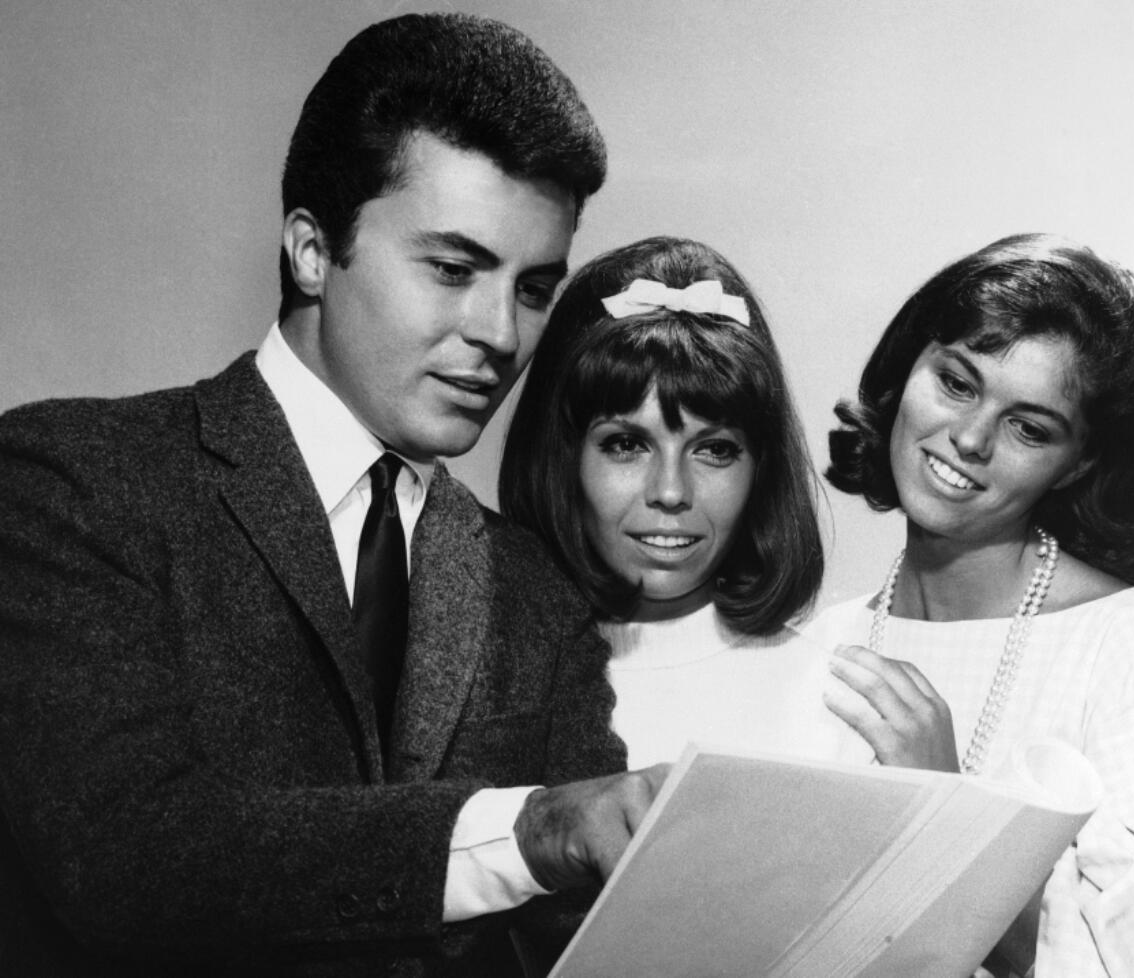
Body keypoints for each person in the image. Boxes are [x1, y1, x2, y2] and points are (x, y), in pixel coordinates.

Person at [0, 14, 668, 977]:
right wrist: (525, 831)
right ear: (313, 251)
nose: (500, 333)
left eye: (533, 289)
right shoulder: (74, 482)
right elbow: (120, 855)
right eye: (453, 268)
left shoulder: (533, 585)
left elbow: (581, 938)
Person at [812, 233, 1134, 977]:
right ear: (907, 368)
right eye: (957, 382)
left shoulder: (1127, 648)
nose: (968, 438)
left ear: (1081, 463)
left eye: (1029, 428)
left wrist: (950, 815)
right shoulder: (820, 642)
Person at [499, 236, 838, 769]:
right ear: (561, 457)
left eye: (715, 450)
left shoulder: (829, 698)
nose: (671, 492)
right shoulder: (483, 680)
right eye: (627, 445)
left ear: (761, 469)